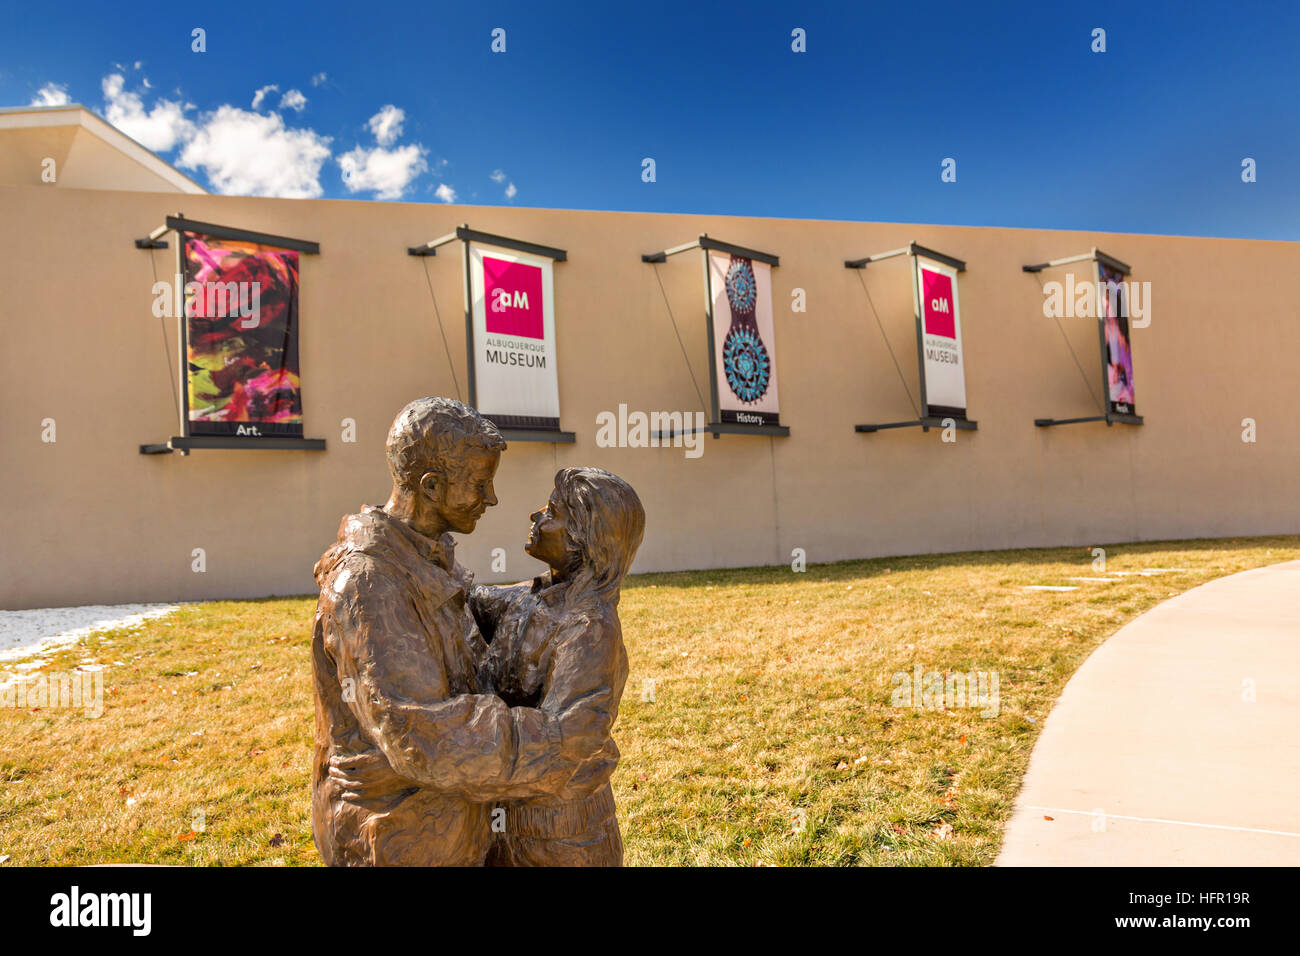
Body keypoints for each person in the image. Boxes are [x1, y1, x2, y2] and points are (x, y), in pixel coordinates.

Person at [311, 398, 602, 866]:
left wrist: (568, 591)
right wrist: (558, 739)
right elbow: (423, 733)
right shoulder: (368, 587)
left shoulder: (426, 553)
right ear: (430, 486)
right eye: (480, 483)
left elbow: (474, 607)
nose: (492, 498)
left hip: (454, 816)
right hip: (399, 834)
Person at [470, 467, 645, 866]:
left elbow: (572, 735)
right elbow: (468, 597)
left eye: (552, 511)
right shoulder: (531, 597)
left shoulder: (588, 628)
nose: (536, 516)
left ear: (584, 540)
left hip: (563, 836)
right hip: (504, 820)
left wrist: (470, 727)